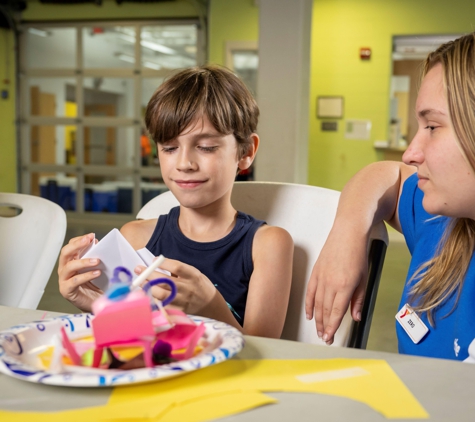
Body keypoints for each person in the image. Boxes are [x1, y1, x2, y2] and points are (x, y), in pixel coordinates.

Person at [58, 65, 293, 339]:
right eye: (169, 148)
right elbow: (128, 340)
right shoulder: (135, 237)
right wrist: (96, 305)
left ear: (246, 152)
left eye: (206, 147)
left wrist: (210, 305)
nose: (184, 164)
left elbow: (262, 355)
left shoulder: (267, 244)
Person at [305, 32, 475, 361]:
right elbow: (389, 174)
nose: (411, 153)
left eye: (433, 127)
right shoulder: (443, 223)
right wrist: (347, 232)